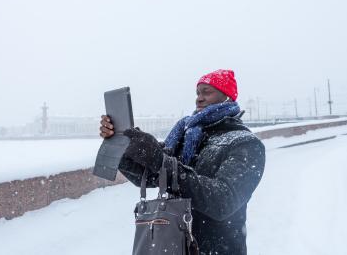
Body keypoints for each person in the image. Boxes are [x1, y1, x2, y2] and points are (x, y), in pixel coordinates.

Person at [100, 69, 265, 255]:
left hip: (217, 248)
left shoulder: (245, 143)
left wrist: (161, 160)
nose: (199, 98)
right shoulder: (185, 136)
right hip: (175, 244)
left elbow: (223, 201)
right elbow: (149, 177)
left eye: (207, 92)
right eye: (198, 93)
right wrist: (125, 146)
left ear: (227, 97)